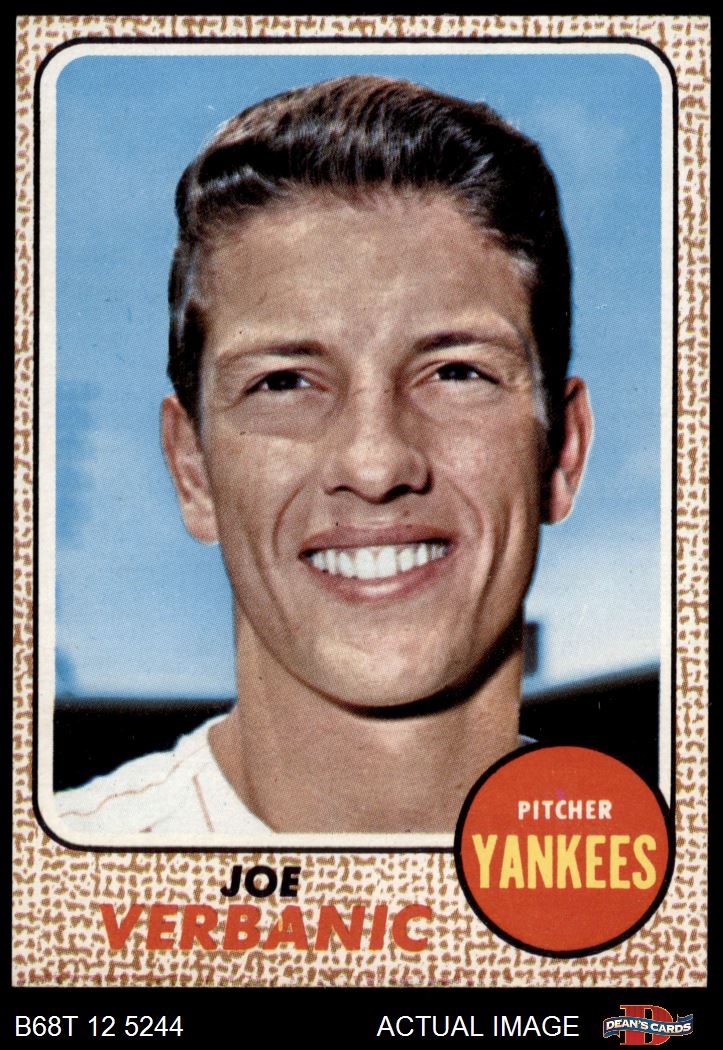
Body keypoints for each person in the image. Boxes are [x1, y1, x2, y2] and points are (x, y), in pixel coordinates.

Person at [55, 75, 593, 838]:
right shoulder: (58, 873)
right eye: (283, 383)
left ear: (562, 451)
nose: (374, 466)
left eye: (454, 372)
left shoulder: (665, 884)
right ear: (192, 469)